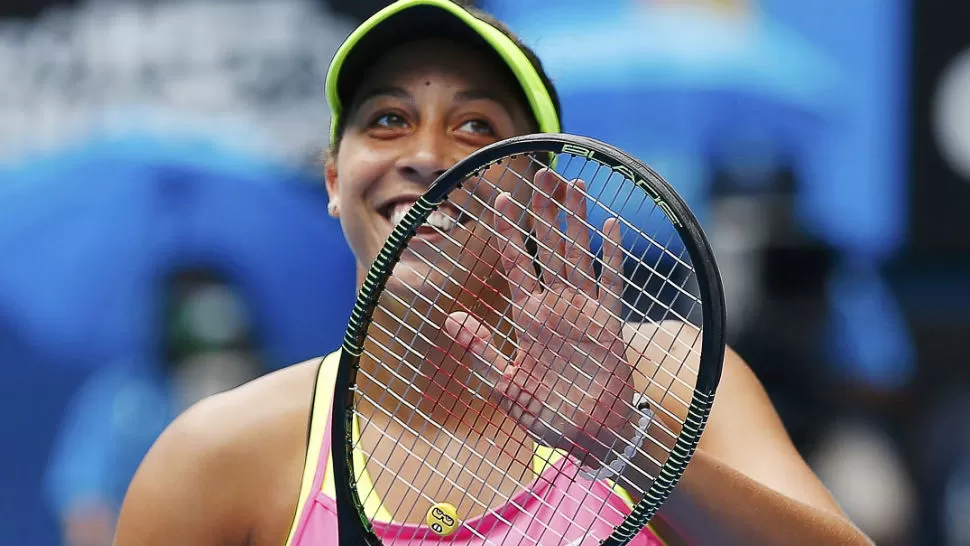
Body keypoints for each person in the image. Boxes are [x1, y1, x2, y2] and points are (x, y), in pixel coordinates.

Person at [113, 1, 873, 545]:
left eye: (477, 127)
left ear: (539, 189)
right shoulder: (216, 455)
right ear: (334, 180)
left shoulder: (667, 380)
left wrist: (626, 449)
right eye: (387, 120)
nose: (426, 155)